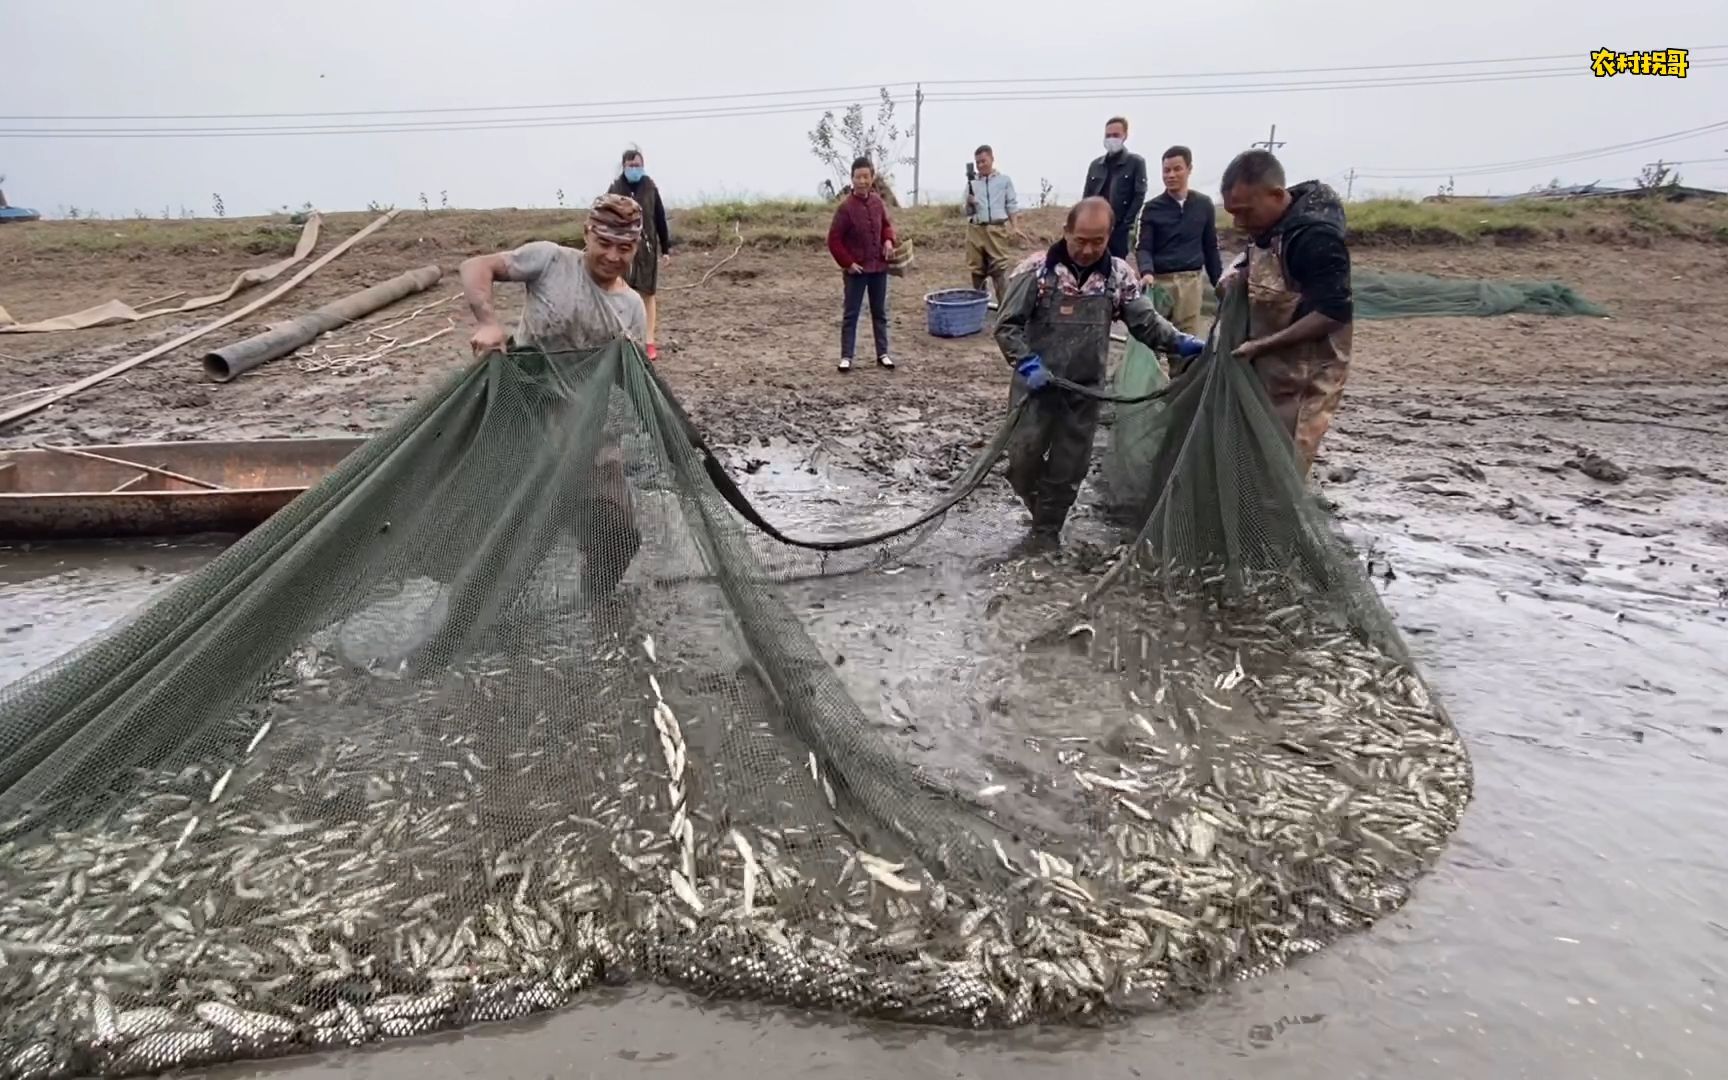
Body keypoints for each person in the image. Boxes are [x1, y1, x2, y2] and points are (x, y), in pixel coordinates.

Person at [457, 193, 649, 604]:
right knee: (510, 544)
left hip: (587, 435)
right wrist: (489, 324)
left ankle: (595, 603)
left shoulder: (631, 306)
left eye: (625, 248)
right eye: (605, 243)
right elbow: (476, 266)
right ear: (586, 234)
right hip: (527, 421)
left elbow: (631, 378)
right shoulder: (550, 261)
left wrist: (669, 430)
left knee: (618, 535)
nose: (613, 256)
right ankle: (474, 618)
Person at [995, 197, 1206, 550]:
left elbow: (1146, 323)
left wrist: (1181, 342)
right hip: (1036, 388)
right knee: (1022, 461)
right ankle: (1039, 512)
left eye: (1098, 241)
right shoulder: (1036, 272)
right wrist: (1027, 362)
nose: (1088, 249)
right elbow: (1007, 326)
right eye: (1080, 240)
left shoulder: (1119, 276)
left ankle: (1047, 531)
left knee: (1069, 469)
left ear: (1110, 237)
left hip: (1084, 391)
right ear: (1066, 232)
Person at [1216, 150, 1353, 476]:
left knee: (1280, 473)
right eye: (1232, 213)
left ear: (1277, 195)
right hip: (1267, 373)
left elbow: (1333, 312)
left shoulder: (1315, 238)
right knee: (1248, 464)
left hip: (1303, 381)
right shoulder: (1269, 230)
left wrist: (1262, 345)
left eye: (1245, 212)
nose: (1239, 222)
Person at [1135, 145, 1222, 337]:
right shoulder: (1152, 208)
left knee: (1187, 340)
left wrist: (1220, 284)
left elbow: (1211, 248)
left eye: (1177, 169)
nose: (1171, 175)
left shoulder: (1203, 205)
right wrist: (1147, 272)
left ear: (1189, 169)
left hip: (1191, 282)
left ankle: (1183, 368)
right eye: (1166, 170)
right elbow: (1144, 247)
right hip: (1160, 283)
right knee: (1152, 339)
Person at [826, 157, 897, 372]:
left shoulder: (877, 202)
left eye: (866, 176)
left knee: (880, 312)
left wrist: (888, 240)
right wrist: (848, 263)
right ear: (852, 179)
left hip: (879, 268)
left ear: (872, 178)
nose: (862, 181)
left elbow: (886, 225)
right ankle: (846, 357)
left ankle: (882, 354)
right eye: (858, 177)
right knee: (851, 314)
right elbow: (834, 239)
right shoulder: (845, 208)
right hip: (856, 270)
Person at [607, 148, 673, 361]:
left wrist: (666, 249)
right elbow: (605, 218)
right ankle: (621, 339)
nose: (634, 169)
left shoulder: (650, 187)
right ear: (623, 166)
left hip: (647, 250)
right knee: (620, 292)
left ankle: (649, 342)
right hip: (621, 248)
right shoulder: (615, 189)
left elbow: (660, 218)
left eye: (638, 165)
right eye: (630, 165)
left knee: (647, 294)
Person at [1081, 117, 1148, 260]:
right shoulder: (1096, 165)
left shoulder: (1135, 162)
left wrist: (1126, 223)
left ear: (1125, 136)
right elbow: (1086, 197)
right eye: (1108, 135)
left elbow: (1139, 195)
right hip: (1096, 227)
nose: (1111, 139)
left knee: (1118, 267)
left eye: (1116, 135)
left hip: (1120, 228)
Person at [964, 144, 1023, 302]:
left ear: (992, 159)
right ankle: (979, 306)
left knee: (1000, 270)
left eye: (983, 161)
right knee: (977, 271)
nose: (981, 165)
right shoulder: (972, 183)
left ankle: (1004, 310)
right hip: (976, 230)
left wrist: (1015, 226)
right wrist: (969, 203)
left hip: (996, 229)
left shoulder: (1004, 181)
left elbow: (1011, 204)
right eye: (977, 163)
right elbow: (967, 213)